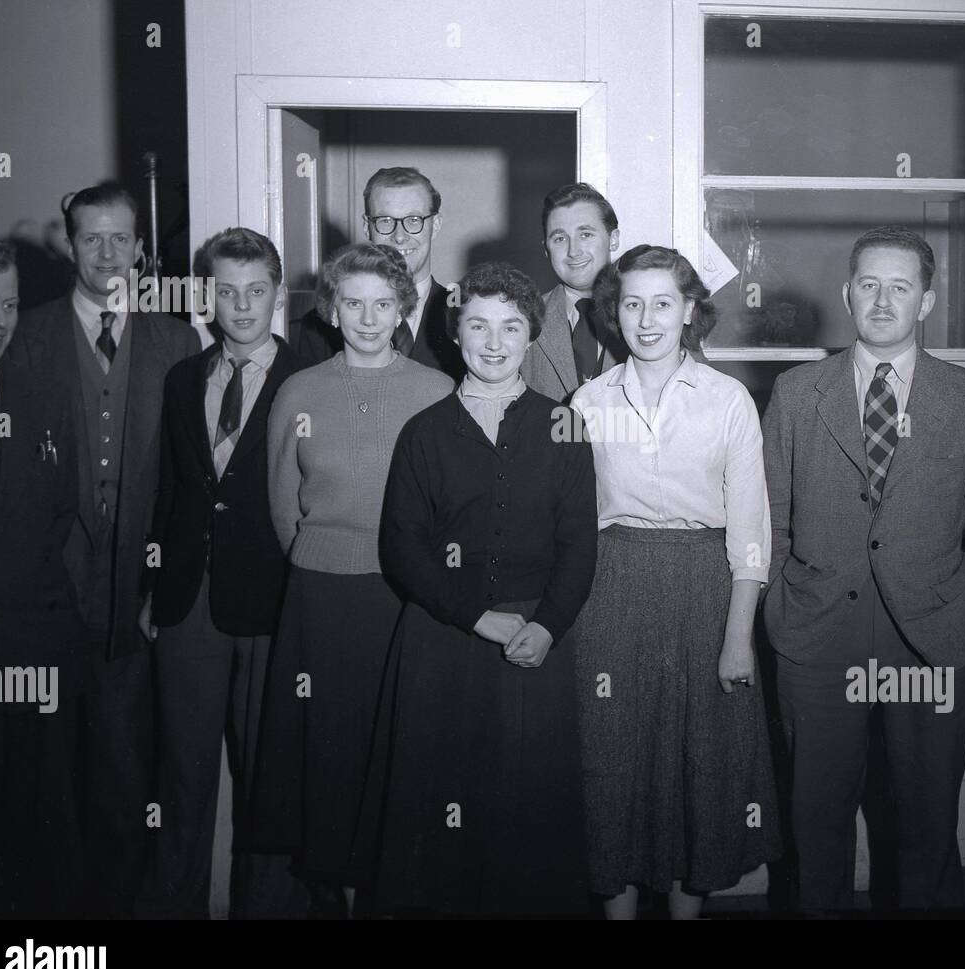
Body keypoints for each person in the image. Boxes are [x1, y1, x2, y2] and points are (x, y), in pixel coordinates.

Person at [761, 225, 965, 912]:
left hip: (929, 640)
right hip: (818, 640)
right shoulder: (797, 393)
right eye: (870, 285)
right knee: (814, 828)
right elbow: (768, 521)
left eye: (900, 287)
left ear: (926, 300)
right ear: (848, 294)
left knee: (926, 825)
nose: (884, 301)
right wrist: (781, 611)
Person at [355, 261, 597, 917]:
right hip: (443, 644)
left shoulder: (565, 426)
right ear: (456, 333)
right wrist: (475, 616)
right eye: (479, 325)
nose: (494, 342)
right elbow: (402, 547)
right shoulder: (425, 432)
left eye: (511, 327)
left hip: (536, 645)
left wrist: (546, 625)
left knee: (529, 813)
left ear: (530, 337)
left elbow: (580, 546)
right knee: (438, 811)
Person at [6, 183, 201, 918]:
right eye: (93, 238)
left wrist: (163, 584)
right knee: (46, 774)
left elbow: (185, 482)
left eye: (122, 238)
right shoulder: (25, 335)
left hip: (132, 598)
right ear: (70, 244)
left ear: (143, 251)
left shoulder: (177, 340)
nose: (109, 253)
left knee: (124, 771)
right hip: (43, 598)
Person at [570, 245, 780, 920]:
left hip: (705, 593)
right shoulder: (588, 400)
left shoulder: (727, 401)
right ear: (614, 312)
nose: (647, 318)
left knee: (701, 763)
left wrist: (738, 638)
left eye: (663, 302)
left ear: (690, 310)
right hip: (609, 592)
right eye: (632, 303)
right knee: (612, 760)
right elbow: (570, 523)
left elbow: (749, 530)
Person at [254, 242, 453, 917]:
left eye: (383, 303)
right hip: (320, 602)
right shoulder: (298, 391)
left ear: (403, 310)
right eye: (353, 303)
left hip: (404, 600)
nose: (368, 317)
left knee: (395, 751)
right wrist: (323, 559)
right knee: (328, 755)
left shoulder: (436, 390)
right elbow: (283, 505)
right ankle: (333, 894)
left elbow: (447, 507)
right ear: (332, 311)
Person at [138, 228, 307, 919]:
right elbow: (171, 490)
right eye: (227, 291)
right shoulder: (183, 378)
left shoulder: (309, 376)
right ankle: (178, 904)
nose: (241, 306)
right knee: (183, 770)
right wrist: (153, 585)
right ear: (207, 295)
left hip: (274, 602)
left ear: (278, 295)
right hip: (188, 599)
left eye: (256, 291)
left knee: (269, 772)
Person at [0, 237, 84, 917]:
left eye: (8, 303)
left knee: (44, 836)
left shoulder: (43, 396)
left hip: (38, 651)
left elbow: (59, 510)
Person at [292, 167, 465, 381]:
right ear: (367, 227)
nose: (399, 237)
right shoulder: (319, 325)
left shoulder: (463, 315)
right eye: (385, 221)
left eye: (413, 220)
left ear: (435, 225)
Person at [523, 183, 627, 401]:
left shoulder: (651, 313)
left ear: (613, 239)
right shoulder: (523, 320)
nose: (573, 251)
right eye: (560, 239)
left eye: (586, 235)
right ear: (546, 249)